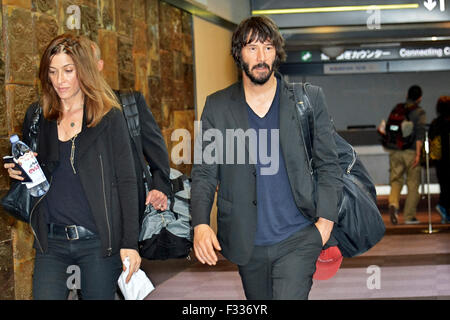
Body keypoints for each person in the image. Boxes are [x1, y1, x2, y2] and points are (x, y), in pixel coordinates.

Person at [190, 16, 343, 300]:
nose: (261, 57)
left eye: (268, 48)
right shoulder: (218, 106)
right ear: (239, 54)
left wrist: (325, 225)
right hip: (247, 242)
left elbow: (328, 165)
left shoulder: (307, 99)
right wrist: (200, 222)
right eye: (252, 48)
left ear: (277, 53)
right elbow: (204, 172)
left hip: (299, 237)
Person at [4, 34, 141, 300]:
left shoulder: (109, 118)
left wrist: (129, 243)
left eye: (68, 70)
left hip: (98, 243)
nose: (60, 80)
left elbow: (127, 181)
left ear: (84, 71)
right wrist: (18, 173)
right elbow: (36, 173)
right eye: (53, 72)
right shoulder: (37, 116)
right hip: (51, 242)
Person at [90, 40, 171, 216]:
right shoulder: (66, 114)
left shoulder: (129, 103)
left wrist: (159, 188)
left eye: (87, 64)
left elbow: (158, 155)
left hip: (128, 208)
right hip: (87, 212)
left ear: (99, 66)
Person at [385, 85, 426, 225]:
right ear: (420, 97)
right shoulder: (419, 112)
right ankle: (409, 216)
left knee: (396, 180)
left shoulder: (398, 108)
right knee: (413, 184)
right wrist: (418, 154)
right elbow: (420, 134)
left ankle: (393, 203)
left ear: (407, 94)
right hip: (411, 151)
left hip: (395, 150)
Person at [428, 96, 450, 224]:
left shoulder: (436, 123)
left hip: (440, 161)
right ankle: (444, 209)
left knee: (444, 185)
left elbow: (430, 140)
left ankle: (444, 209)